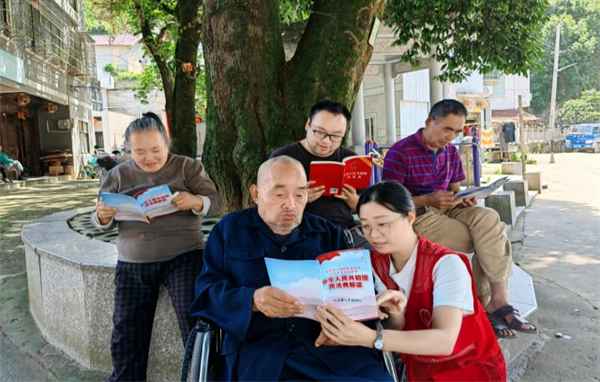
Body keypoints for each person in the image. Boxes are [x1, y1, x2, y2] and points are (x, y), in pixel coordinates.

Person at [190, 156, 392, 382]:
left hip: (331, 350)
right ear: (256, 194)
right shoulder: (229, 231)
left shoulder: (328, 234)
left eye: (299, 194)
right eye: (279, 194)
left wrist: (358, 314)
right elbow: (206, 295)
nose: (291, 204)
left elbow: (359, 295)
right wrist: (252, 300)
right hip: (260, 354)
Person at [315, 181, 506, 382]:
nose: (373, 235)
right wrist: (394, 312)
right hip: (422, 371)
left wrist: (369, 338)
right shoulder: (376, 263)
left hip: (468, 370)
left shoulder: (446, 264)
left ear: (410, 217)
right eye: (365, 226)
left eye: (382, 224)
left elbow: (444, 341)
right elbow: (397, 326)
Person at [381, 99, 536, 338]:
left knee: (489, 219)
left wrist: (466, 197)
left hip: (449, 207)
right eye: (447, 129)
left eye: (457, 131)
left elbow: (454, 189)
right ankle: (486, 307)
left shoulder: (451, 152)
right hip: (416, 215)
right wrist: (427, 199)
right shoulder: (399, 152)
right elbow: (388, 201)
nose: (451, 136)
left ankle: (498, 300)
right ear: (429, 121)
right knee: (488, 239)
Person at [91, 112, 223, 381]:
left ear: (167, 143)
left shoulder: (187, 167)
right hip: (134, 261)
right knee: (126, 330)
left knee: (195, 317)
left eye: (156, 149)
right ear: (128, 149)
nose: (149, 157)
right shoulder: (117, 175)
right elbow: (100, 219)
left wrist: (195, 201)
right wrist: (103, 216)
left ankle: (205, 377)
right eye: (139, 152)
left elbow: (216, 203)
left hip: (184, 254)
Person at [270, 100, 369, 248]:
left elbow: (366, 207)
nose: (326, 141)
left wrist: (354, 200)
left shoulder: (351, 159)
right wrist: (299, 198)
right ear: (308, 124)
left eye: (336, 136)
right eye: (320, 132)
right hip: (299, 232)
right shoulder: (282, 159)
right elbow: (269, 204)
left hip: (345, 230)